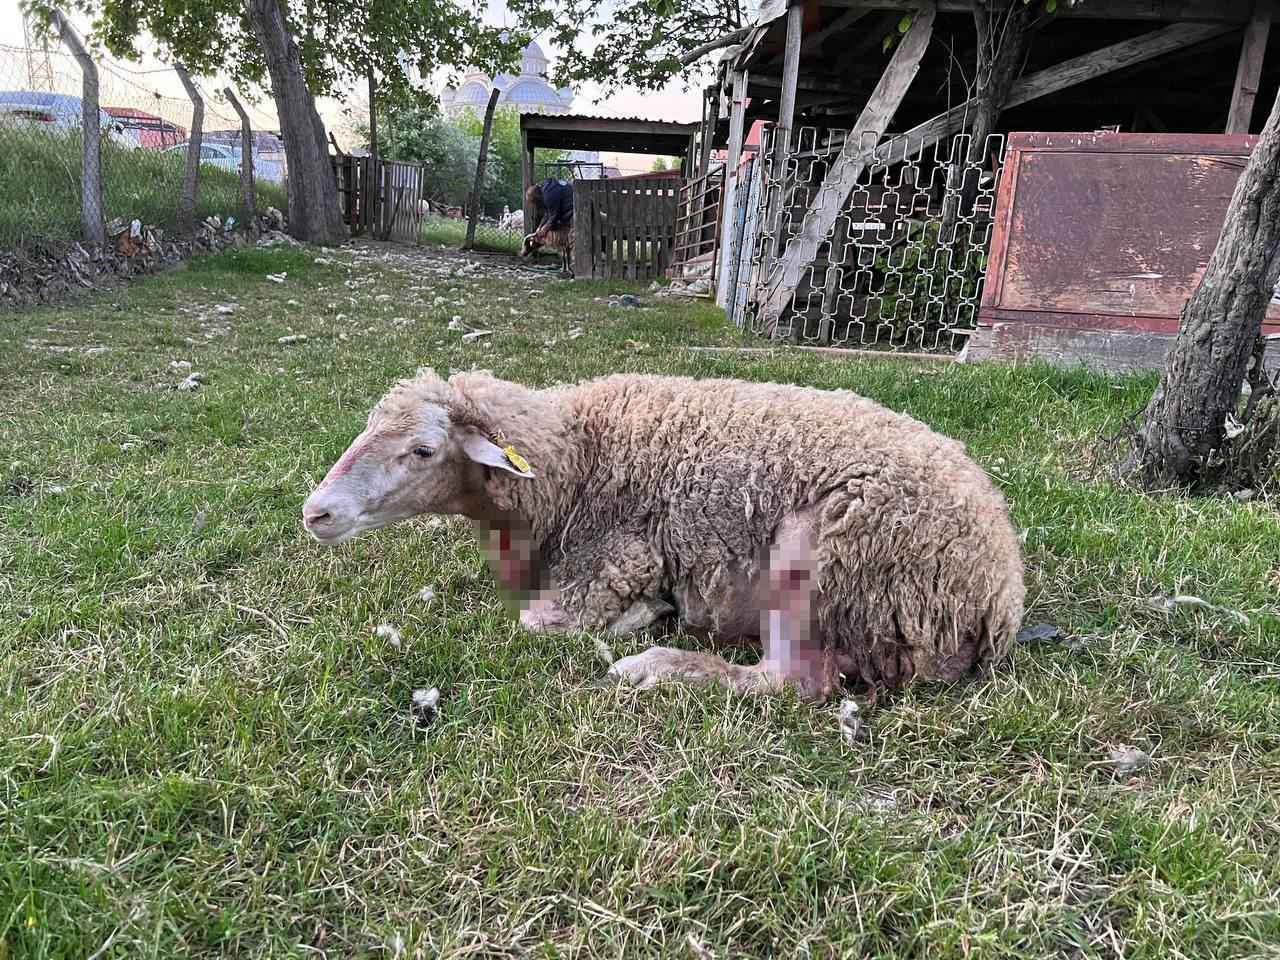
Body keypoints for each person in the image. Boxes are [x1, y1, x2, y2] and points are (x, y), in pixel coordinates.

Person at [526, 177, 573, 242]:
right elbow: (548, 213)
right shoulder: (543, 188)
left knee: (571, 235)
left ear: (538, 198)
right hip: (570, 202)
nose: (536, 205)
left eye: (535, 202)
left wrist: (545, 229)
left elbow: (554, 216)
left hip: (573, 206)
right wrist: (539, 228)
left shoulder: (548, 196)